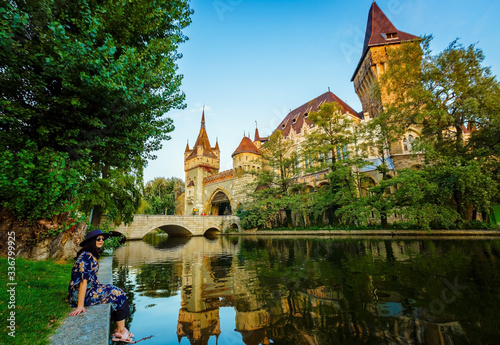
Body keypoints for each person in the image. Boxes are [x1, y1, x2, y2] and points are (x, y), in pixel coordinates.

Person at [68, 229, 133, 343]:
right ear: (91, 241)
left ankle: (120, 329)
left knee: (117, 291)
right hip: (83, 294)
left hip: (89, 289)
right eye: (98, 239)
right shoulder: (86, 257)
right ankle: (120, 331)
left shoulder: (89, 254)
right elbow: (83, 281)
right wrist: (80, 305)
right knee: (118, 295)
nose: (101, 240)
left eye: (103, 238)